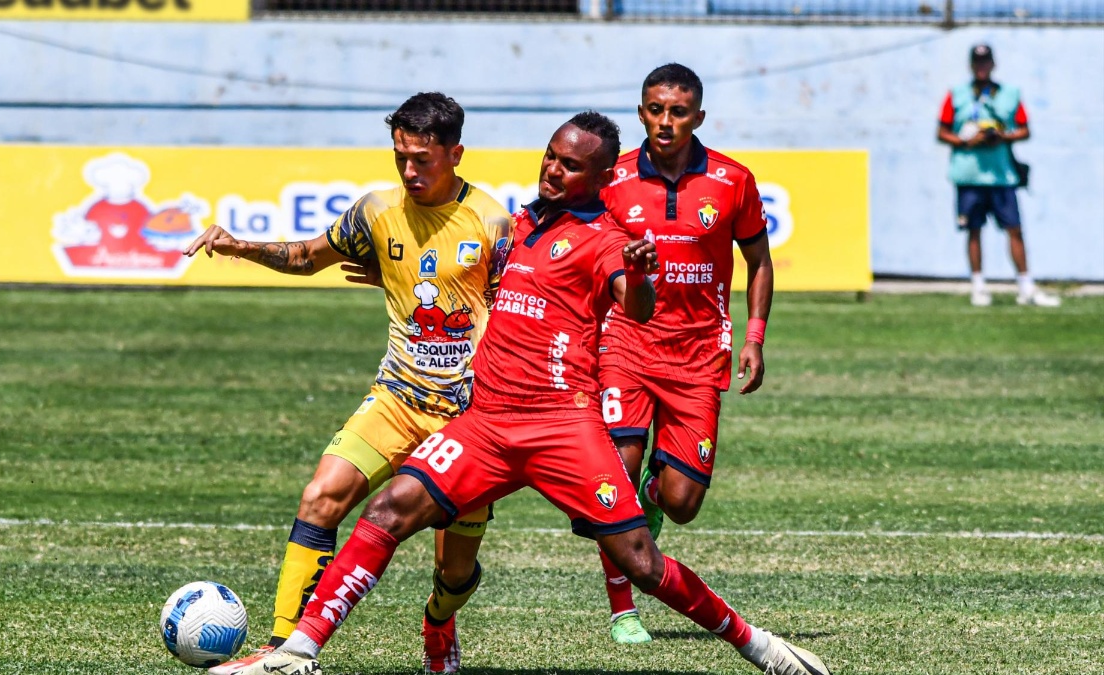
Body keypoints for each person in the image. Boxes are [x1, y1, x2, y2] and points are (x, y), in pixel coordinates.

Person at [245, 112, 832, 675]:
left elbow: (636, 303)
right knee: (389, 510)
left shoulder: (606, 240)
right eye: (551, 156)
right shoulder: (520, 224)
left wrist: (642, 273)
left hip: (562, 427)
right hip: (486, 425)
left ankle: (760, 648)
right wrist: (399, 277)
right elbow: (464, 277)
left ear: (605, 178)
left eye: (571, 165)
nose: (554, 169)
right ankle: (296, 654)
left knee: (641, 561)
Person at [183, 92, 513, 675]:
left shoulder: (492, 222)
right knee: (320, 496)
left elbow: (516, 309)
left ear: (455, 153)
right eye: (400, 157)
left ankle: (439, 622)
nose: (409, 171)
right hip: (397, 398)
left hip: (468, 418)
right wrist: (244, 247)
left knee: (454, 571)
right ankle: (284, 649)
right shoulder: (375, 211)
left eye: (423, 159)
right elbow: (310, 256)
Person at [589, 63, 775, 644]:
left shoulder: (733, 180)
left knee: (682, 501)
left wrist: (754, 337)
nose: (664, 122)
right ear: (641, 111)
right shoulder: (610, 178)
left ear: (698, 116)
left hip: (699, 354)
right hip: (626, 341)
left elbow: (759, 260)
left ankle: (654, 493)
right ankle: (623, 610)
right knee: (615, 467)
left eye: (677, 111)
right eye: (654, 109)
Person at [937, 44, 1059, 307]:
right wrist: (966, 140)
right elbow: (942, 131)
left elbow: (1024, 130)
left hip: (1001, 175)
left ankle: (1026, 287)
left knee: (1014, 229)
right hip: (968, 175)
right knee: (973, 230)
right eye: (977, 62)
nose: (981, 67)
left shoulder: (1009, 94)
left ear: (993, 64)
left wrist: (1002, 136)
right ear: (971, 65)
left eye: (986, 62)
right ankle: (978, 286)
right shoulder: (956, 95)